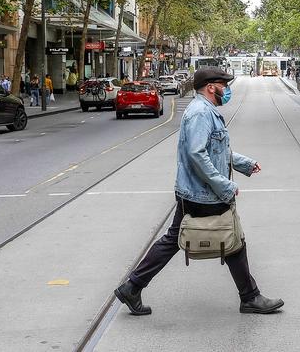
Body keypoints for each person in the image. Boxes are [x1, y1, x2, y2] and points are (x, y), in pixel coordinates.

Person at [114, 67, 284, 316]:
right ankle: (250, 297)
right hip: (203, 192)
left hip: (194, 191)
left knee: (174, 239)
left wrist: (244, 163)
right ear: (211, 87)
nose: (227, 90)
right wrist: (223, 184)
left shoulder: (205, 111)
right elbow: (197, 153)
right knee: (234, 237)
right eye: (224, 85)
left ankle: (132, 287)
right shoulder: (200, 113)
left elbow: (216, 150)